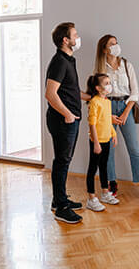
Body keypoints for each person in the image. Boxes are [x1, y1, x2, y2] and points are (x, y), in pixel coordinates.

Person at [94, 34, 139, 201]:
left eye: (116, 43)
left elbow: (135, 92)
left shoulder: (127, 65)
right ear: (105, 49)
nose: (116, 46)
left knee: (134, 148)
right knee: (109, 150)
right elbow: (98, 95)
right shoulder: (100, 69)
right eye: (111, 44)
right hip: (107, 109)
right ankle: (111, 182)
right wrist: (108, 115)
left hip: (126, 106)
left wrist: (126, 112)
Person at [45, 22, 91, 224]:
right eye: (75, 34)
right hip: (63, 121)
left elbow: (70, 91)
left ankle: (59, 200)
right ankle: (61, 208)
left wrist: (90, 97)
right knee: (62, 162)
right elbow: (50, 94)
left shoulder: (69, 60)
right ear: (66, 40)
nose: (78, 38)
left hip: (70, 119)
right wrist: (67, 114)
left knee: (64, 161)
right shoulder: (59, 62)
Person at [85, 73, 120, 211]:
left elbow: (107, 121)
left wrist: (114, 134)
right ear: (98, 88)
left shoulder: (107, 102)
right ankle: (91, 198)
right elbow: (92, 124)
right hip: (97, 141)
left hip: (107, 140)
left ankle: (105, 193)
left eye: (109, 82)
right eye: (106, 83)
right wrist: (96, 143)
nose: (109, 85)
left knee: (104, 166)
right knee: (93, 169)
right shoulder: (95, 102)